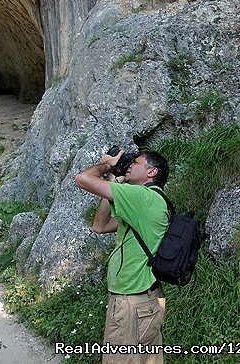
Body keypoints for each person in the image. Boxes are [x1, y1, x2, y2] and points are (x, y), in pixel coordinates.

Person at [75, 149, 171, 364]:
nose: (129, 165)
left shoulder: (142, 197)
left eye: (136, 163)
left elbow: (82, 179)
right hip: (146, 301)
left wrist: (108, 166)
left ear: (151, 172)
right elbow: (99, 226)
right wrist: (115, 180)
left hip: (131, 304)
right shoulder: (149, 203)